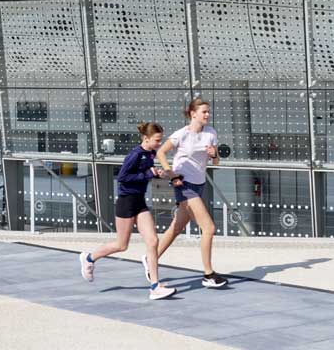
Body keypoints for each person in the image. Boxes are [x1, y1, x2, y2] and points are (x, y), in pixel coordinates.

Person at [80, 122, 176, 300]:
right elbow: (123, 177)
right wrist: (148, 174)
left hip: (139, 201)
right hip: (126, 202)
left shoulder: (150, 153)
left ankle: (155, 286)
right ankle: (89, 258)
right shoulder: (135, 154)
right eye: (157, 140)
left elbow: (146, 171)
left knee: (153, 241)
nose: (159, 143)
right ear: (146, 139)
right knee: (121, 245)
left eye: (160, 140)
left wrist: (156, 173)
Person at [153, 98, 228, 289]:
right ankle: (208, 274)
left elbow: (216, 163)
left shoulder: (211, 133)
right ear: (192, 114)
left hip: (199, 184)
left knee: (176, 227)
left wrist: (214, 154)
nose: (207, 115)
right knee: (209, 228)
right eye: (204, 112)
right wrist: (170, 173)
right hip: (183, 183)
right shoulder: (182, 134)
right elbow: (160, 153)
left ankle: (150, 259)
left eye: (208, 112)